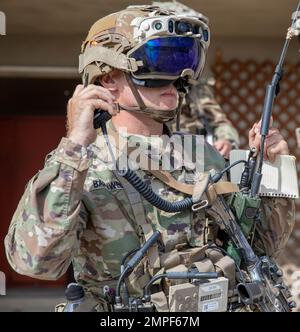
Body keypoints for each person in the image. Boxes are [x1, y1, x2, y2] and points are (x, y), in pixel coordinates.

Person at [5, 5, 295, 312]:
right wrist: (75, 145)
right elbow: (35, 262)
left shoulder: (203, 155)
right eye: (157, 63)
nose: (175, 78)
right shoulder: (81, 163)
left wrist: (275, 167)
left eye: (185, 61)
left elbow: (262, 246)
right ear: (108, 78)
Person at [153, 1, 240, 158]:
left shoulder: (195, 85)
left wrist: (227, 141)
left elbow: (219, 121)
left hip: (191, 159)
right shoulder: (144, 80)